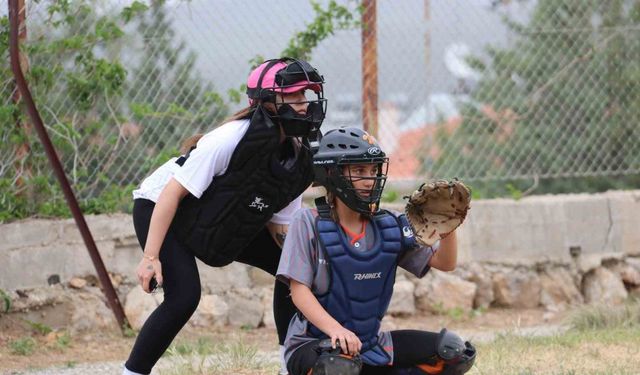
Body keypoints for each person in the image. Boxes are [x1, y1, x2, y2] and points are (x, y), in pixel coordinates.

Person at [122, 57, 327, 375]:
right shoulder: (230, 138)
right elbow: (171, 194)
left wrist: (304, 262)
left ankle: (291, 364)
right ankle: (132, 373)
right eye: (294, 96)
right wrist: (151, 257)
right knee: (184, 297)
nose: (304, 105)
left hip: (224, 216)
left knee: (296, 273)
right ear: (268, 103)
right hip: (162, 208)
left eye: (306, 97)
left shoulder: (297, 157)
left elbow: (280, 226)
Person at [276, 127, 477, 375]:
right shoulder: (307, 222)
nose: (370, 179)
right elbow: (298, 292)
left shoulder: (390, 225)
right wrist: (335, 330)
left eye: (373, 170)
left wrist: (447, 227)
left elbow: (445, 263)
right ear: (332, 173)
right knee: (338, 366)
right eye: (359, 171)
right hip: (314, 345)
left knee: (455, 352)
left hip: (370, 344)